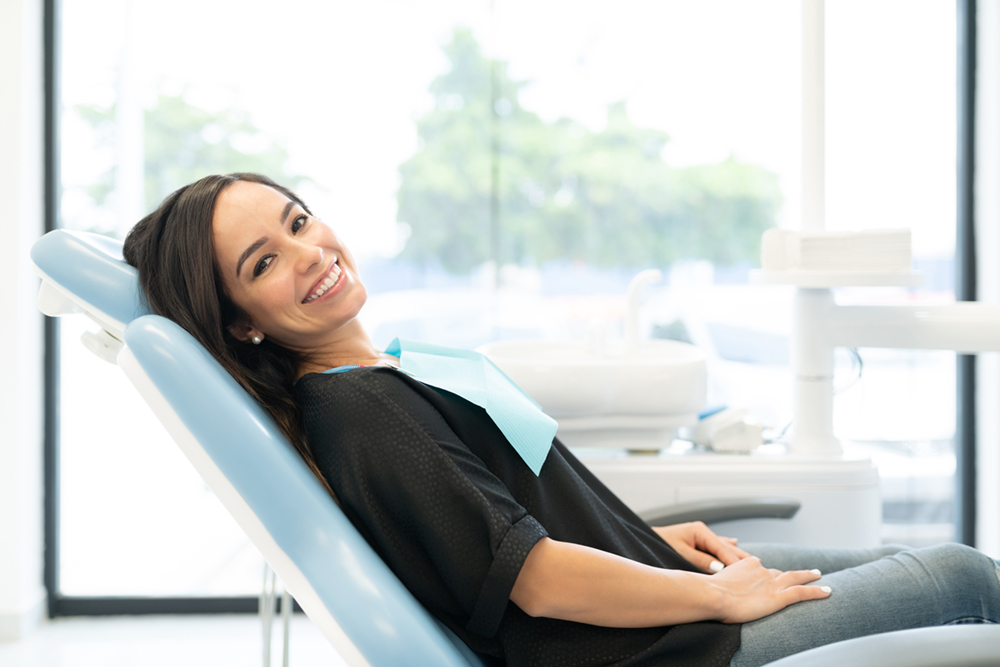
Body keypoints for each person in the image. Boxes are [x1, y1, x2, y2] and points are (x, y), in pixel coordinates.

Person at [122, 173, 1000, 667]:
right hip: (662, 649)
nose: (311, 252)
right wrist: (716, 593)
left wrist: (648, 537)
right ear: (242, 323)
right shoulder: (360, 410)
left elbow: (508, 522)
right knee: (963, 574)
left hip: (657, 597)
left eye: (299, 221)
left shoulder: (374, 373)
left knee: (917, 562)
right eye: (265, 261)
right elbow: (535, 580)